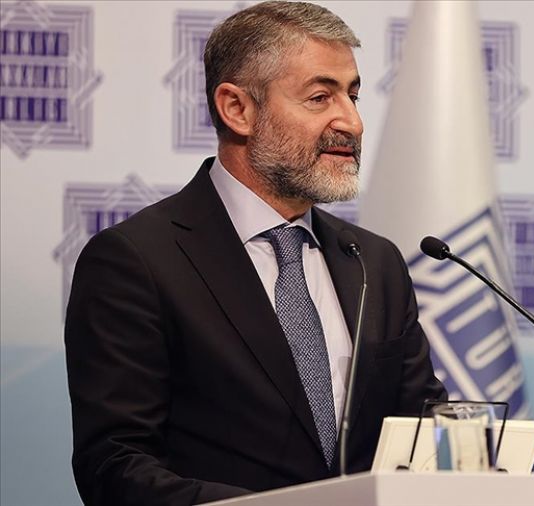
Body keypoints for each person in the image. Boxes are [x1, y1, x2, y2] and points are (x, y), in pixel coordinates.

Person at [64, 2, 446, 504]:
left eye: (352, 96)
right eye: (320, 97)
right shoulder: (136, 261)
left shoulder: (374, 262)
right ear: (237, 109)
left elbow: (423, 432)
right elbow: (115, 466)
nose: (352, 122)